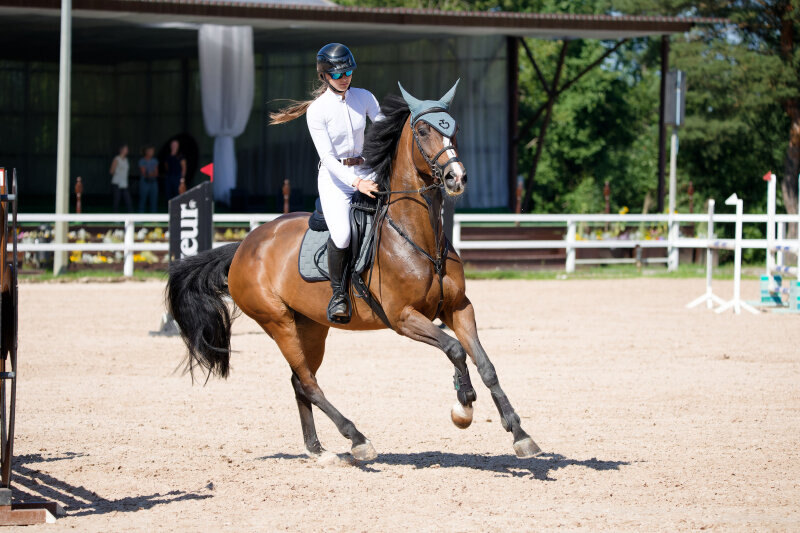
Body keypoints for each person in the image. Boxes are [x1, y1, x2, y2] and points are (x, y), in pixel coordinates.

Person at [270, 43, 383, 323]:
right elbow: (329, 159)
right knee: (342, 234)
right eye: (337, 74)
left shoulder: (365, 97)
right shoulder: (317, 111)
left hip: (368, 170)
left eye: (348, 72)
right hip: (336, 179)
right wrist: (356, 182)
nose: (344, 78)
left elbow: (383, 131)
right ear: (324, 75)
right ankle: (338, 295)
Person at [110, 144, 133, 213]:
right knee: (116, 201)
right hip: (117, 183)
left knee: (128, 201)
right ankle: (115, 216)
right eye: (126, 149)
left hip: (124, 184)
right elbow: (111, 171)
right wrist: (119, 174)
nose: (127, 151)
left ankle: (131, 216)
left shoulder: (126, 159)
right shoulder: (117, 159)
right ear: (121, 150)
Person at [138, 145, 159, 213]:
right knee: (142, 199)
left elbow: (156, 173)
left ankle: (154, 216)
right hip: (144, 182)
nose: (152, 152)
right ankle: (140, 216)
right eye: (150, 151)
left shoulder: (155, 160)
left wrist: (150, 173)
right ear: (146, 152)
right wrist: (151, 173)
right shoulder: (142, 161)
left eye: (153, 151)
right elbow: (144, 173)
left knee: (154, 200)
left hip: (153, 182)